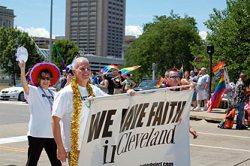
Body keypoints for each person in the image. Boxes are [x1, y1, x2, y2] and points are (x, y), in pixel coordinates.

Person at [51, 57, 135, 165]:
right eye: (82, 69)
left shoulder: (94, 90)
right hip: (74, 148)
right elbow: (55, 120)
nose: (86, 71)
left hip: (92, 146)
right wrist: (60, 147)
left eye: (88, 68)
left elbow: (112, 101)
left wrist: (128, 95)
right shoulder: (65, 93)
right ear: (74, 71)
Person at [18, 61, 61, 166]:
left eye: (47, 78)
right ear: (38, 80)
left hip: (51, 135)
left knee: (56, 162)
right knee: (32, 162)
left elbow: (64, 96)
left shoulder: (54, 93)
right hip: (36, 134)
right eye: (43, 78)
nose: (45, 80)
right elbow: (24, 85)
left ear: (51, 81)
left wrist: (70, 80)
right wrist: (22, 69)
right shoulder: (34, 91)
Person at [164, 68, 198, 139]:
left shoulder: (177, 92)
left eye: (178, 77)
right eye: (173, 77)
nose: (176, 79)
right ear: (166, 78)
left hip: (173, 129)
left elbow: (178, 112)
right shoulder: (160, 89)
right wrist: (133, 92)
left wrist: (189, 128)